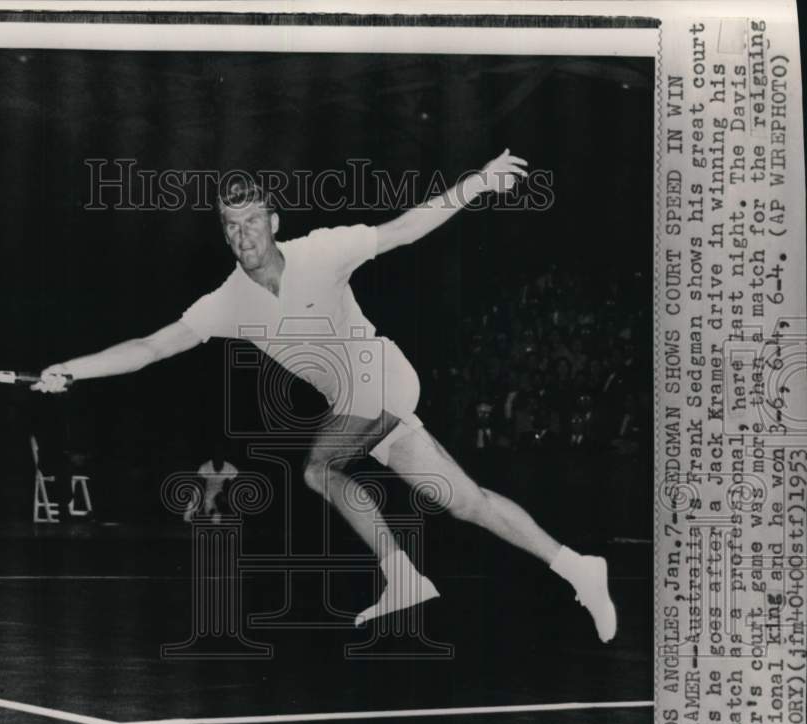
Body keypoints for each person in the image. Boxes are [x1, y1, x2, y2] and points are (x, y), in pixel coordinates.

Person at [33, 150, 617, 641]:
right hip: (360, 406)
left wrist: (476, 184)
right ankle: (577, 566)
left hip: (382, 373)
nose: (243, 236)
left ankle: (402, 574)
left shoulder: (324, 250)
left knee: (319, 468)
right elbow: (151, 346)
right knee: (467, 502)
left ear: (274, 221)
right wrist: (72, 369)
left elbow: (404, 228)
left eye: (251, 221)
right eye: (230, 226)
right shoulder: (227, 302)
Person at [184, 446, 239, 524]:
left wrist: (230, 500)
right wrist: (199, 502)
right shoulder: (205, 467)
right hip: (204, 490)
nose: (218, 458)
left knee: (222, 503)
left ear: (224, 457)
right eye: (216, 456)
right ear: (212, 458)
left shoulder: (229, 467)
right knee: (197, 492)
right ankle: (190, 511)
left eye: (220, 456)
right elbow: (200, 485)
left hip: (218, 491)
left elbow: (234, 484)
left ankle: (220, 515)